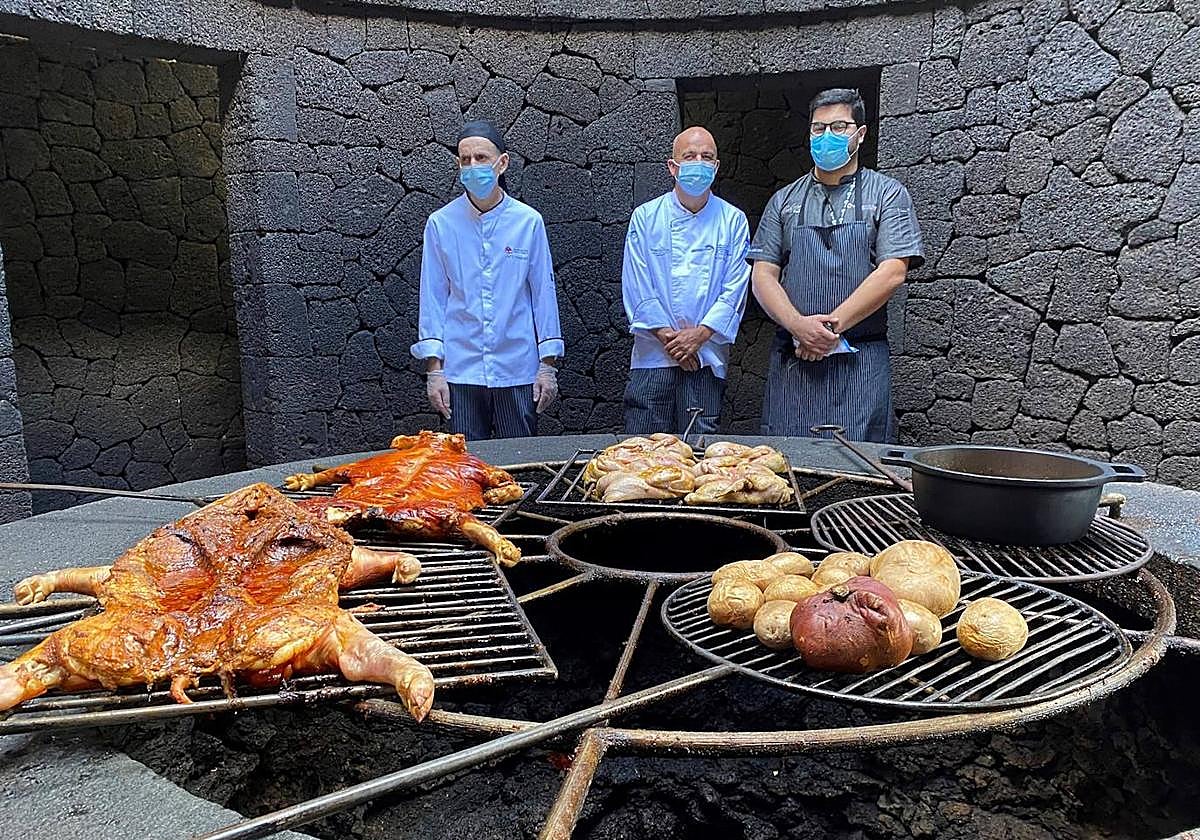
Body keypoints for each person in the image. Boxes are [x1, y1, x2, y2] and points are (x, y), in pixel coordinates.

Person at [748, 88, 924, 442]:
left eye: (839, 127)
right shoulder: (783, 202)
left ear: (859, 135)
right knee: (788, 466)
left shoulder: (887, 194)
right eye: (818, 128)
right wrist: (799, 327)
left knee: (861, 469)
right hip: (794, 361)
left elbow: (892, 272)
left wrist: (828, 330)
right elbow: (762, 275)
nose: (826, 136)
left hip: (859, 360)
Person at [410, 120, 564, 440]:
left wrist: (547, 366)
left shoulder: (527, 222)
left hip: (518, 367)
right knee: (466, 467)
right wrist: (434, 371)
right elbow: (433, 298)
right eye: (465, 160)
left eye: (481, 157)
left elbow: (543, 296)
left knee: (521, 461)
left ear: (502, 162)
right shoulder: (441, 224)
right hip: (461, 369)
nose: (473, 166)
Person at [620, 126, 752, 436]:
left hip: (706, 354)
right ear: (672, 167)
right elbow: (636, 283)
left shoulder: (733, 220)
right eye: (689, 156)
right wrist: (671, 338)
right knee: (644, 445)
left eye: (706, 157)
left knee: (701, 446)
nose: (698, 162)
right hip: (654, 352)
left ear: (716, 167)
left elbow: (735, 287)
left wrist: (699, 335)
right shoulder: (646, 216)